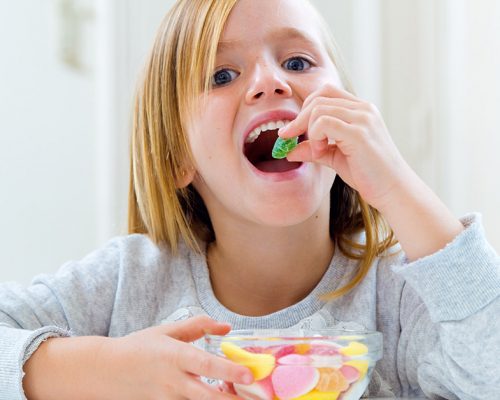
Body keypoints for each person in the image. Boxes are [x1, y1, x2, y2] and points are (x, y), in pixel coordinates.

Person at [1, 0, 499, 398]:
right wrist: (106, 370)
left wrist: (395, 184)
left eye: (297, 62)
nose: (270, 82)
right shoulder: (128, 283)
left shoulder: (399, 296)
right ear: (178, 157)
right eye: (221, 75)